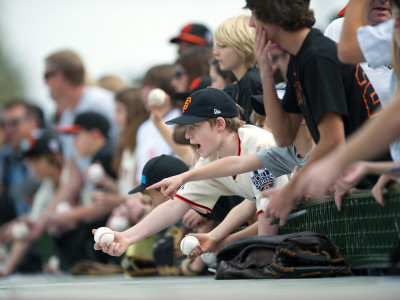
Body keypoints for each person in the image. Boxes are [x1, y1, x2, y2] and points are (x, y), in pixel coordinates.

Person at [93, 88, 288, 258]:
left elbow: (268, 209)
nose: (187, 135)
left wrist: (263, 256)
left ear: (220, 124)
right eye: (186, 128)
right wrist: (127, 237)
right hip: (285, 226)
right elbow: (175, 206)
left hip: (309, 222)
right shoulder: (211, 159)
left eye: (194, 126)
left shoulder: (259, 144)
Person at [245, 0, 387, 225]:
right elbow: (283, 136)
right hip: (361, 185)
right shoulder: (301, 57)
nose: (252, 23)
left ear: (272, 13)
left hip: (379, 185)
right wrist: (266, 73)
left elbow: (332, 141)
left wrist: (289, 192)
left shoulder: (317, 56)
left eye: (254, 14)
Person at [295, 2, 400, 203]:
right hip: (380, 166)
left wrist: (336, 164)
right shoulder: (338, 30)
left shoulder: (389, 30)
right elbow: (332, 117)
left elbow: (393, 115)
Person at [33, 50, 116, 241]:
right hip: (97, 205)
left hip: (120, 203)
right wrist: (43, 219)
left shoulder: (102, 102)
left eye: (46, 76)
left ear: (60, 77)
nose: (45, 84)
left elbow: (127, 151)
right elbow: (74, 177)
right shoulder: (68, 116)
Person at [54, 112, 118, 271]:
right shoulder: (104, 151)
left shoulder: (104, 155)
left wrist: (70, 215)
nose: (73, 143)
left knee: (79, 243)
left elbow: (104, 207)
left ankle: (113, 264)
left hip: (121, 220)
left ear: (95, 134)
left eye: (77, 136)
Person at [0, 129, 63, 277]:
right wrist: (5, 270)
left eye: (36, 160)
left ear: (54, 157)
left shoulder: (72, 178)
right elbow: (32, 225)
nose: (31, 166)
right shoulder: (47, 187)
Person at [0, 100, 42, 226]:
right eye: (4, 124)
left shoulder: (50, 148)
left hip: (46, 225)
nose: (9, 129)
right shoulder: (6, 154)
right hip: (17, 227)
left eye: (14, 123)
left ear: (34, 122)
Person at [214, 15, 262, 124]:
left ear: (243, 45)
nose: (215, 52)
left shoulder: (252, 81)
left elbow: (254, 132)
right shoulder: (244, 82)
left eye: (222, 46)